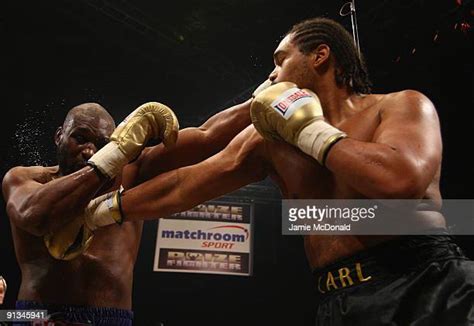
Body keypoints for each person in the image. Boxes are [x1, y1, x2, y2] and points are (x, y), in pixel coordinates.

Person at [87, 18, 474, 325]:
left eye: (280, 60)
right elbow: (186, 184)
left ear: (320, 56)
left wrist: (310, 132)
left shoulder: (400, 106)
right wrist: (103, 212)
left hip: (428, 280)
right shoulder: (268, 140)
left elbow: (398, 182)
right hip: (339, 300)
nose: (271, 76)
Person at [2, 98, 254, 325]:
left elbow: (208, 136)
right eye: (80, 138)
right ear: (59, 135)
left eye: (102, 144)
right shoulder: (24, 178)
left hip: (112, 317)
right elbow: (37, 217)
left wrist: (275, 92)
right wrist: (115, 153)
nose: (90, 151)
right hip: (33, 315)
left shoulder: (133, 173)